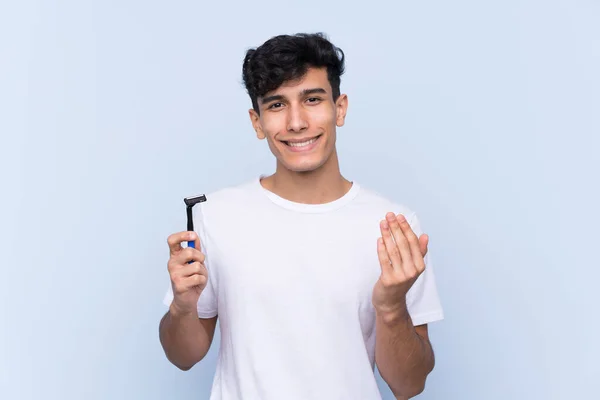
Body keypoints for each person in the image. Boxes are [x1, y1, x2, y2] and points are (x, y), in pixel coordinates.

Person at [159, 32, 444, 400]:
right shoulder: (215, 216)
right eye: (277, 105)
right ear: (257, 121)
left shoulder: (394, 226)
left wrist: (390, 308)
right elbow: (183, 356)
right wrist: (183, 307)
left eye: (312, 99)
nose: (296, 122)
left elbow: (409, 385)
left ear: (339, 109)